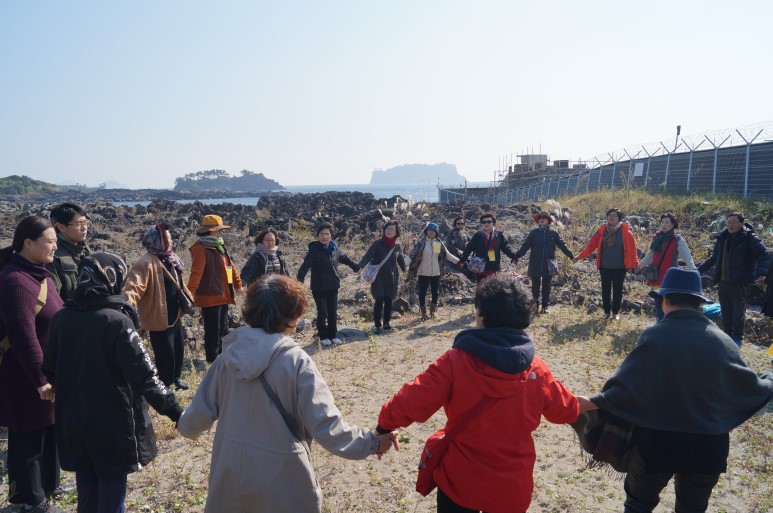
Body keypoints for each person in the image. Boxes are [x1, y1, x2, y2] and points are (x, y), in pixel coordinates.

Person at [177, 274, 398, 513]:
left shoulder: (227, 358)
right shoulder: (296, 361)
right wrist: (372, 443)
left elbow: (192, 421)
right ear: (291, 317)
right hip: (282, 476)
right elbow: (327, 426)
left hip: (230, 473)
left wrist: (176, 416)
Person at [375, 274, 594, 513]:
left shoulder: (456, 361)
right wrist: (601, 402)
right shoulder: (537, 370)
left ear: (481, 316)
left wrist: (383, 428)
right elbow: (564, 408)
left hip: (460, 482)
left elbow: (412, 400)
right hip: (510, 487)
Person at [588, 268, 773, 513]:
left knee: (637, 505)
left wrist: (594, 402)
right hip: (707, 448)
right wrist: (769, 379)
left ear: (663, 300)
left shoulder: (655, 336)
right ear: (699, 303)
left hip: (656, 444)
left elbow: (622, 388)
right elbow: (749, 386)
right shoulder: (722, 340)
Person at [42, 253, 183, 513]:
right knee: (111, 488)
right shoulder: (116, 321)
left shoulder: (63, 317)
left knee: (86, 482)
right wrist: (176, 411)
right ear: (113, 279)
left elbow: (49, 368)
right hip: (112, 420)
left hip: (73, 417)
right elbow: (145, 376)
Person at [0, 216, 65, 513]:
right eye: (49, 241)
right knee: (28, 434)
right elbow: (23, 334)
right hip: (24, 373)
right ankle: (28, 498)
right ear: (28, 243)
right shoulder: (15, 280)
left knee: (49, 428)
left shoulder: (41, 274)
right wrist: (41, 379)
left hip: (46, 368)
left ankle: (49, 485)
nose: (55, 246)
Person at [124, 222, 194, 390]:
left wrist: (189, 297)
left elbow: (178, 282)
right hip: (158, 315)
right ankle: (165, 383)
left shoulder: (171, 257)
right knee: (164, 353)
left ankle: (176, 378)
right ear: (157, 240)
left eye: (170, 237)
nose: (170, 240)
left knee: (177, 348)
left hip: (174, 313)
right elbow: (134, 286)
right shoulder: (146, 262)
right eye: (167, 238)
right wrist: (126, 305)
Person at [697, 212, 770, 346]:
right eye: (728, 221)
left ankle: (737, 338)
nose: (730, 224)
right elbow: (714, 258)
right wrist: (698, 271)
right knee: (725, 310)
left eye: (733, 222)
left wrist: (762, 273)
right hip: (724, 280)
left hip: (740, 281)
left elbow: (764, 255)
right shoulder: (723, 237)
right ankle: (727, 336)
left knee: (738, 312)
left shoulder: (749, 238)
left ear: (741, 223)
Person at [188, 214, 243, 363]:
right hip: (210, 296)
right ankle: (212, 361)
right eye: (218, 229)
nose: (220, 232)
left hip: (223, 294)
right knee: (213, 331)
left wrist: (238, 284)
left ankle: (222, 357)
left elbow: (230, 267)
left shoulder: (218, 244)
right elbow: (196, 273)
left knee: (223, 329)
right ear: (210, 230)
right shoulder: (200, 248)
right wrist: (188, 293)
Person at [297, 222, 360, 346]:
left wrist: (356, 267)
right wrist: (299, 282)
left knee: (332, 311)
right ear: (318, 235)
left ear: (331, 236)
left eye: (327, 234)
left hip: (333, 286)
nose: (324, 236)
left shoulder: (334, 248)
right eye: (322, 234)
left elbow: (345, 259)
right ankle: (323, 335)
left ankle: (333, 335)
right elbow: (305, 266)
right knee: (323, 311)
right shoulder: (314, 250)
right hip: (319, 287)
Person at [572, 208, 639, 320]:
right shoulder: (602, 230)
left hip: (620, 267)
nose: (612, 217)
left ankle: (616, 312)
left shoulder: (626, 232)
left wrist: (636, 264)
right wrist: (579, 257)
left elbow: (633, 250)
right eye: (610, 215)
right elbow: (591, 246)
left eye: (615, 215)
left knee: (618, 290)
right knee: (605, 290)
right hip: (604, 267)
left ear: (619, 218)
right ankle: (606, 312)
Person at [634, 213, 697, 320]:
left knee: (668, 300)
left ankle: (668, 321)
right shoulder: (657, 238)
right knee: (658, 299)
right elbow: (650, 256)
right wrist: (639, 266)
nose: (664, 224)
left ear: (673, 225)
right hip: (656, 274)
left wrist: (694, 270)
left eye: (667, 222)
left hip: (671, 275)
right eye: (662, 222)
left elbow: (687, 257)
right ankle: (661, 321)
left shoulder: (678, 240)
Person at [514, 211, 574, 314]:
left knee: (547, 286)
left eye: (544, 217)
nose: (541, 219)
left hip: (549, 263)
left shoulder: (553, 233)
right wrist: (516, 256)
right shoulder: (534, 233)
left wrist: (571, 256)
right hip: (535, 263)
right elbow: (525, 246)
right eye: (540, 217)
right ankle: (535, 306)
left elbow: (562, 245)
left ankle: (545, 307)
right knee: (535, 286)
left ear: (548, 220)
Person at [358, 220, 407, 334]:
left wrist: (404, 269)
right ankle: (377, 325)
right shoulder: (377, 243)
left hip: (392, 276)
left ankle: (386, 323)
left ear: (396, 232)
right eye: (388, 228)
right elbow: (368, 256)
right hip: (379, 276)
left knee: (389, 299)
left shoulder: (397, 245)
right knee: (379, 299)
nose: (390, 231)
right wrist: (359, 266)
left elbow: (400, 259)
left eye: (392, 229)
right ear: (384, 230)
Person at [406, 222, 459, 319]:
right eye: (429, 230)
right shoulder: (421, 242)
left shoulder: (439, 243)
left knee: (435, 292)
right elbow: (412, 254)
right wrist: (403, 263)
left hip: (436, 271)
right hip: (423, 272)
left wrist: (458, 261)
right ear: (426, 231)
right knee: (422, 292)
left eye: (433, 231)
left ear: (436, 233)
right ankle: (423, 312)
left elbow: (447, 255)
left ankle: (433, 311)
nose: (431, 232)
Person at [48, 202, 91, 301]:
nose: (84, 228)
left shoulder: (83, 248)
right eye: (79, 224)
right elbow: (54, 297)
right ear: (61, 227)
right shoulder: (53, 255)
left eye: (85, 223)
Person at [458, 212, 518, 279]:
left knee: (495, 286)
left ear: (493, 223)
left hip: (494, 266)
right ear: (481, 224)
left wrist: (513, 257)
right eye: (484, 222)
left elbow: (505, 248)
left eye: (489, 222)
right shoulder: (478, 235)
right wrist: (462, 260)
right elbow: (469, 248)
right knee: (482, 287)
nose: (486, 223)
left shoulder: (499, 235)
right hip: (481, 267)